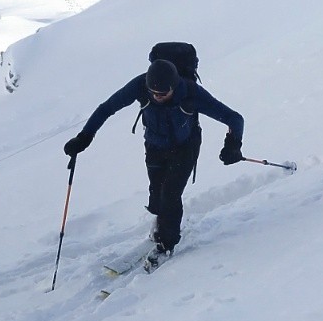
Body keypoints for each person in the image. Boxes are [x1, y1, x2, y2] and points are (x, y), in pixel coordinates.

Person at [64, 57, 244, 268]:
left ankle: (167, 243)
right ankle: (161, 223)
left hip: (185, 148)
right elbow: (107, 108)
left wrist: (233, 145)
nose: (157, 97)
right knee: (157, 194)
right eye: (153, 93)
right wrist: (84, 137)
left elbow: (234, 118)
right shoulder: (140, 86)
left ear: (174, 86)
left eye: (162, 93)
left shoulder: (191, 93)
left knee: (170, 194)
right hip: (155, 146)